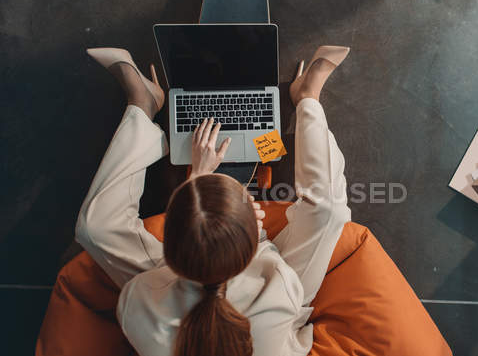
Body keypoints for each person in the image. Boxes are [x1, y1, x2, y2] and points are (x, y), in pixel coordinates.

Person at [75, 45, 352, 356]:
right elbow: (274, 274)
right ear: (254, 234)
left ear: (170, 247)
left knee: (94, 227)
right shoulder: (280, 291)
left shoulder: (139, 300)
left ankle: (143, 104)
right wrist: (250, 234)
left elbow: (169, 276)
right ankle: (308, 97)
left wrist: (198, 180)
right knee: (328, 211)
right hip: (272, 307)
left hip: (204, 271)